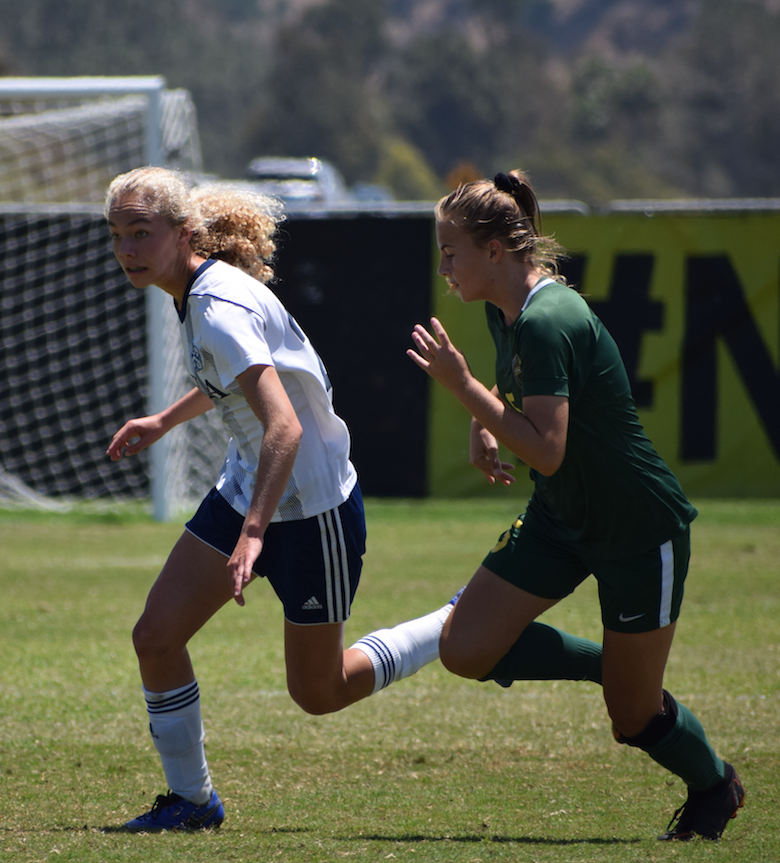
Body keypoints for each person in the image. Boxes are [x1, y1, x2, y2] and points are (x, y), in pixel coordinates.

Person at [103, 166, 459, 832]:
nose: (127, 249)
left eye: (141, 233)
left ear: (184, 233)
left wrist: (252, 536)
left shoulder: (216, 304)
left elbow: (285, 426)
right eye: (118, 234)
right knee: (156, 635)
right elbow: (234, 383)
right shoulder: (197, 291)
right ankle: (192, 800)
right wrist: (163, 422)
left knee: (318, 691)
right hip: (252, 484)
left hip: (312, 505)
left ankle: (451, 624)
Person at [407, 170, 745, 842]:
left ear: (495, 251)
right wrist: (488, 414)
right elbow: (525, 405)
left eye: (452, 252)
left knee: (633, 718)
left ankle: (714, 783)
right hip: (562, 518)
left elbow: (549, 448)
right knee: (464, 648)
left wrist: (466, 389)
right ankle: (610, 662)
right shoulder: (501, 306)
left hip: (636, 528)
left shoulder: (549, 317)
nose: (443, 266)